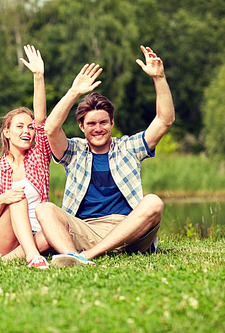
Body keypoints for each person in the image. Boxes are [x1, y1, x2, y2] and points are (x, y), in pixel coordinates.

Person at [36, 45, 175, 267]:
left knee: (153, 202)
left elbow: (164, 120)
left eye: (103, 122)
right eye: (91, 123)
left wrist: (159, 77)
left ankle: (85, 258)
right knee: (44, 208)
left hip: (129, 230)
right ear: (81, 126)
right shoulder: (74, 151)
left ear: (112, 123)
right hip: (86, 229)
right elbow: (50, 128)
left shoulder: (128, 147)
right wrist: (74, 92)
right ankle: (72, 256)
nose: (98, 128)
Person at [0, 45, 52, 269]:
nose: (27, 131)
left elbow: (41, 120)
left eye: (29, 128)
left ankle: (14, 259)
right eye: (19, 126)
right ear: (7, 132)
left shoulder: (38, 156)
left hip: (36, 231)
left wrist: (38, 76)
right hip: (3, 236)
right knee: (17, 196)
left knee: (55, 232)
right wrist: (4, 198)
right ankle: (32, 256)